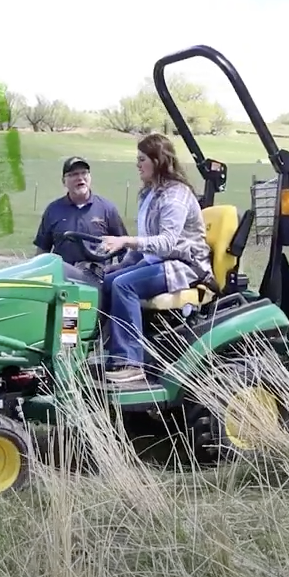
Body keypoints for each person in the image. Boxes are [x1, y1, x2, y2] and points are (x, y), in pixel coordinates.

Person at [93, 133, 214, 388]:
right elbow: (147, 243)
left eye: (142, 159)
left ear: (158, 161)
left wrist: (125, 241)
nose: (138, 165)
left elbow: (167, 242)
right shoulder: (150, 194)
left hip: (184, 265)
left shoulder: (175, 195)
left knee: (123, 285)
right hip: (159, 261)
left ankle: (132, 364)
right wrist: (121, 264)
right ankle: (109, 354)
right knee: (108, 280)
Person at [32, 156, 129, 286]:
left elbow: (124, 249)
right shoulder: (53, 210)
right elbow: (42, 249)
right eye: (73, 174)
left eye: (84, 173)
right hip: (62, 281)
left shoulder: (107, 209)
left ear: (90, 177)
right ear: (64, 181)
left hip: (96, 280)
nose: (80, 178)